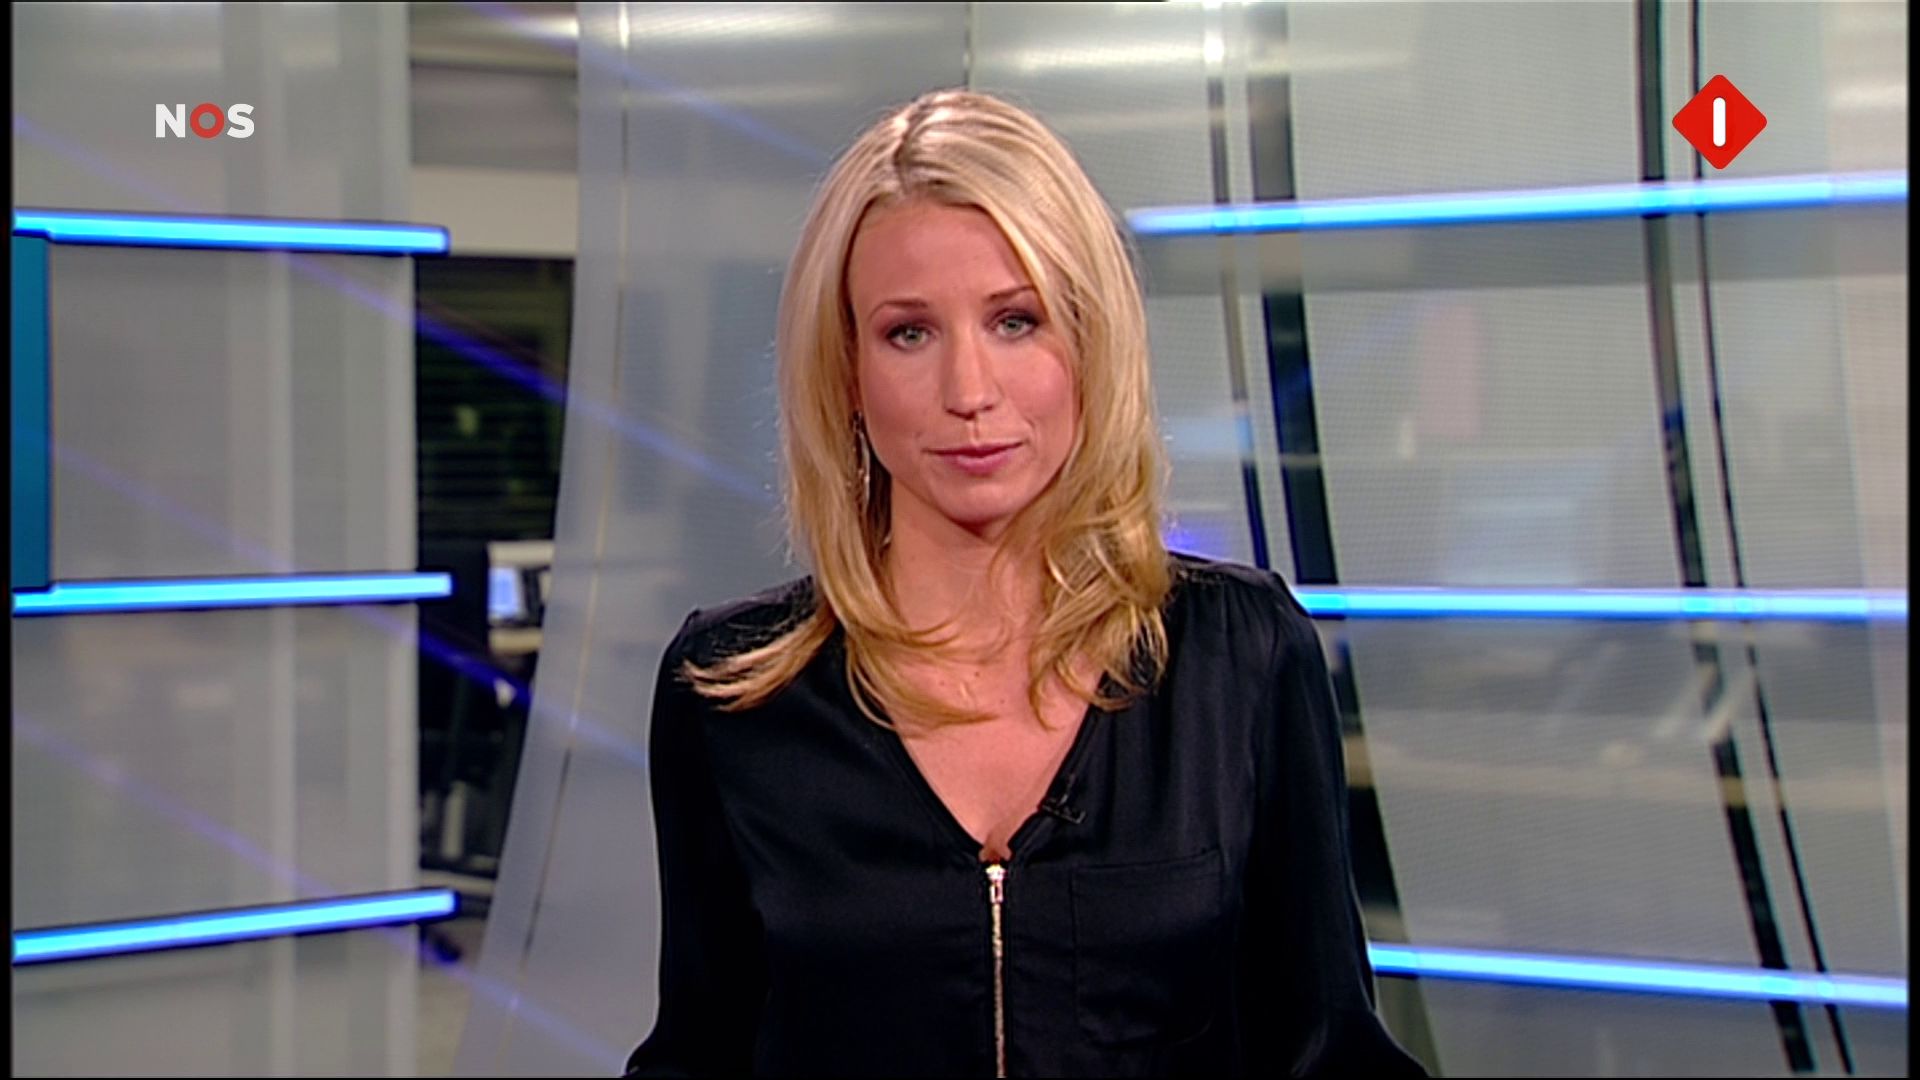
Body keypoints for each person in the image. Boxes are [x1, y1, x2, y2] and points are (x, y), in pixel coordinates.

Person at [624, 88, 1426, 1079]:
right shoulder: (734, 694)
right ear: (846, 372)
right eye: (909, 333)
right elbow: (700, 1052)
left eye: (1016, 320)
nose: (970, 392)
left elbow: (1329, 1054)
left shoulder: (1241, 659)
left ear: (1089, 343)